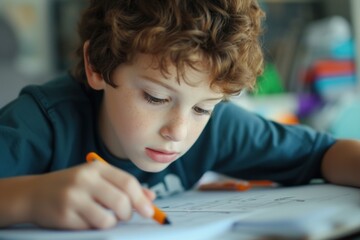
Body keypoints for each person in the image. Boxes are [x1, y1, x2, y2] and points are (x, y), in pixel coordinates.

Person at [0, 0, 359, 231]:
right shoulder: (40, 122)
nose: (179, 130)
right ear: (97, 65)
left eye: (203, 107)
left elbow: (325, 153)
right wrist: (29, 197)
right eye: (156, 97)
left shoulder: (216, 129)